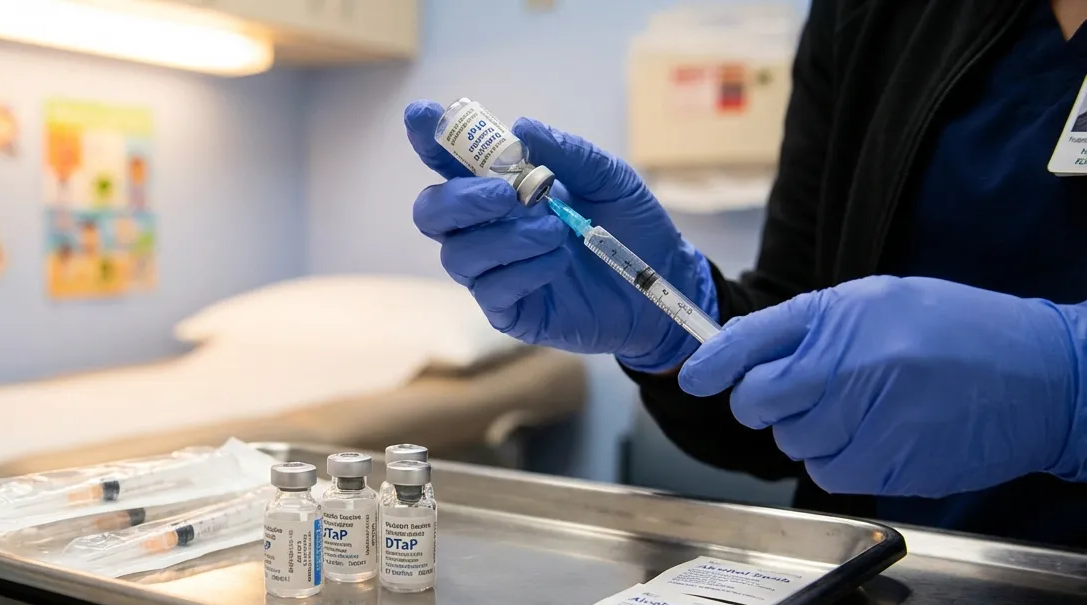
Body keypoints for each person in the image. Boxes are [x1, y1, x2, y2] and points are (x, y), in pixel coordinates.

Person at [406, 0, 1087, 547]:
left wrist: (1071, 384)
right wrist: (676, 330)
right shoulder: (872, 17)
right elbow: (780, 394)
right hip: (890, 592)